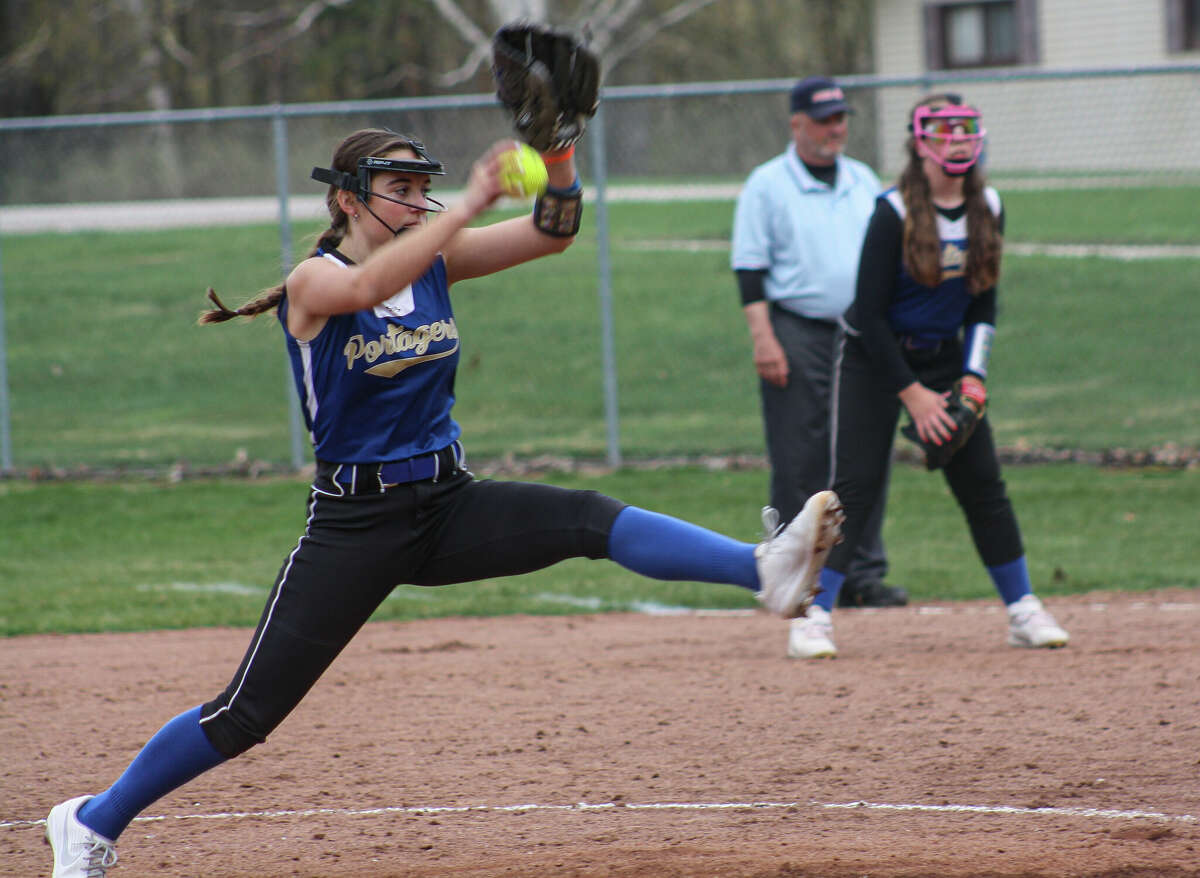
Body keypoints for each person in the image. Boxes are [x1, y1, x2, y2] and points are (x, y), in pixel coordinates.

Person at [43, 127, 845, 877]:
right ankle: (92, 822)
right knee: (245, 715)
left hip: (447, 503)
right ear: (346, 199)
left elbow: (554, 233)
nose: (418, 201)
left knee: (587, 518)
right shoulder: (316, 278)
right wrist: (469, 204)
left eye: (423, 188)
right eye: (398, 189)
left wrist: (559, 155)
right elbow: (368, 284)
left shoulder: (433, 258)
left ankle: (762, 569)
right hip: (355, 527)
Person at [785, 93, 1070, 659]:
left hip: (944, 356)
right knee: (853, 491)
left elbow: (983, 304)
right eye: (943, 130)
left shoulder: (988, 203)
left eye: (965, 129)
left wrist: (972, 376)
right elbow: (868, 315)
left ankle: (1022, 609)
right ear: (919, 143)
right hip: (874, 357)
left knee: (983, 483)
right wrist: (913, 395)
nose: (957, 139)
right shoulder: (892, 210)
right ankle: (813, 616)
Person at [731, 75, 908, 646]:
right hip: (796, 329)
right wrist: (764, 338)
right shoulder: (767, 184)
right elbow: (750, 270)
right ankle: (790, 572)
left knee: (864, 455)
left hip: (861, 330)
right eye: (825, 119)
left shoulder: (862, 180)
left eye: (841, 117)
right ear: (797, 124)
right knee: (801, 454)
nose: (837, 128)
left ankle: (862, 574)